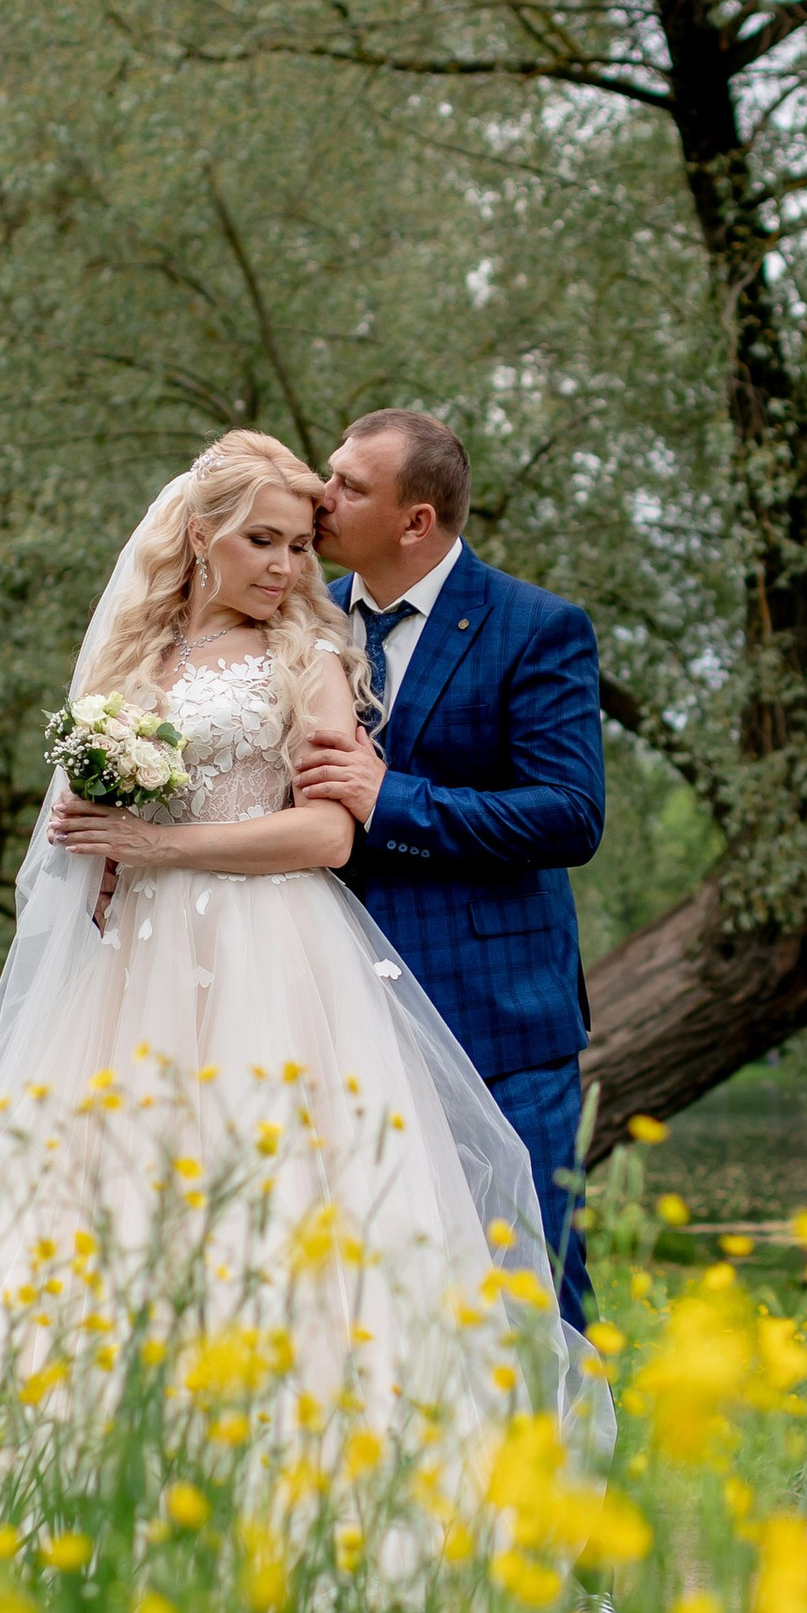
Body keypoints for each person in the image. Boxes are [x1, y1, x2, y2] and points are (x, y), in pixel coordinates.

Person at [0, 430, 561, 1437]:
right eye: (264, 540)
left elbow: (329, 833)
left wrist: (164, 844)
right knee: (114, 1204)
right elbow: (87, 817)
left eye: (300, 545)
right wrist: (101, 843)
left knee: (282, 1205)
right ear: (202, 535)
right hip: (134, 968)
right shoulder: (136, 657)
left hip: (274, 955)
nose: (289, 566)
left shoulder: (311, 656)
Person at [294, 409, 605, 1340]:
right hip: (335, 1008)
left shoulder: (536, 628)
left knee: (532, 1277)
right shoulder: (300, 619)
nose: (322, 494)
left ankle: (568, 1480)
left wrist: (393, 800)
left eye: (350, 484)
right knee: (373, 1289)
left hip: (497, 1017)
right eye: (328, 473)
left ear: (415, 522)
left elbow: (569, 814)